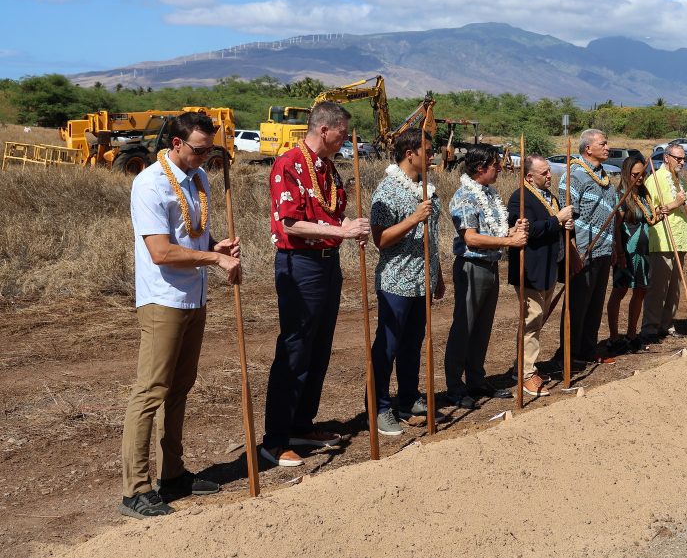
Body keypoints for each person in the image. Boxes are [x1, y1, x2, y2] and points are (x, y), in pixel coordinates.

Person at [120, 112, 241, 518]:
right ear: (176, 144)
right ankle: (135, 490)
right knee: (151, 391)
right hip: (163, 301)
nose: (206, 157)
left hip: (195, 298)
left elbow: (193, 235)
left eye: (211, 149)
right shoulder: (149, 184)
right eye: (199, 149)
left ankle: (173, 474)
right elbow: (161, 251)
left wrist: (216, 247)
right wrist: (212, 258)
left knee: (180, 388)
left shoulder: (200, 179)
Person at [261, 102, 371, 467]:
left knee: (319, 346)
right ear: (325, 130)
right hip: (300, 265)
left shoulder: (327, 168)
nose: (345, 141)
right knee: (295, 347)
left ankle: (301, 424)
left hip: (328, 263)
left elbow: (330, 212)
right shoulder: (289, 164)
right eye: (342, 134)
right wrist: (341, 230)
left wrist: (348, 225)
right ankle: (275, 439)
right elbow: (290, 223)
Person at [369, 129, 445, 436]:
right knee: (388, 346)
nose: (432, 156)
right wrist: (413, 219)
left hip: (422, 279)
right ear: (410, 153)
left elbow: (434, 237)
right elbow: (380, 239)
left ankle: (409, 397)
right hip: (396, 280)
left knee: (413, 344)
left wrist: (438, 274)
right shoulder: (387, 191)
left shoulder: (427, 188)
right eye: (427, 151)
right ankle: (379, 407)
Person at [443, 145, 528, 408]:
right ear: (480, 168)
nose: (500, 168)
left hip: (490, 266)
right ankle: (455, 387)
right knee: (464, 327)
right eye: (495, 164)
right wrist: (508, 241)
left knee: (482, 328)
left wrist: (512, 230)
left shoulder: (489, 194)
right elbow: (471, 237)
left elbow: (493, 228)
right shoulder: (466, 196)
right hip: (472, 267)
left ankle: (476, 380)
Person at [507, 155, 574, 397]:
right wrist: (557, 220)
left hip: (549, 267)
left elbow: (554, 225)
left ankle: (522, 366)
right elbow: (528, 230)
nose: (549, 176)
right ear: (529, 177)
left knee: (536, 320)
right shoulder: (520, 197)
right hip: (531, 269)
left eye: (549, 172)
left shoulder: (551, 197)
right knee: (531, 320)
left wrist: (565, 224)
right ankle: (526, 374)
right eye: (544, 172)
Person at [558, 129, 618, 365]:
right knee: (577, 304)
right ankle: (569, 354)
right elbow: (566, 219)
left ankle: (588, 348)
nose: (607, 147)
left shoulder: (603, 175)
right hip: (582, 250)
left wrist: (615, 248)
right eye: (603, 143)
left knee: (595, 304)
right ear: (587, 149)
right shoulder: (573, 176)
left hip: (603, 250)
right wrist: (573, 252)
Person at [608, 154, 662, 353]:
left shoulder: (643, 193)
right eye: (635, 174)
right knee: (620, 291)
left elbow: (647, 220)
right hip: (627, 252)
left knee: (640, 291)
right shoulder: (621, 195)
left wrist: (659, 214)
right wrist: (620, 253)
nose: (640, 178)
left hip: (644, 251)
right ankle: (614, 337)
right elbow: (616, 226)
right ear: (626, 174)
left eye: (643, 173)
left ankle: (632, 334)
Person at [641, 143, 687, 343]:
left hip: (680, 238)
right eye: (678, 158)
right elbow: (651, 211)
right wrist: (675, 204)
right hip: (662, 238)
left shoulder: (680, 180)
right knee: (658, 286)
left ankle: (667, 323)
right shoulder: (654, 179)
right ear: (666, 157)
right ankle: (650, 326)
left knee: (674, 287)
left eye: (683, 159)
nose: (682, 162)